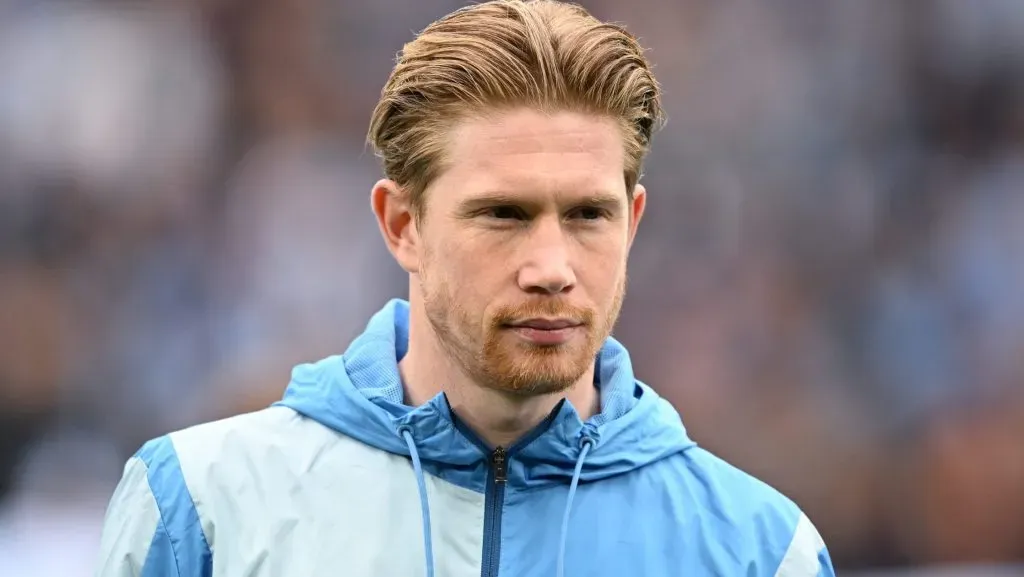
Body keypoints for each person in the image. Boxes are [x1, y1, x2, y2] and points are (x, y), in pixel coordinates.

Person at [95, 1, 836, 575]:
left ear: (633, 221)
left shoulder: (758, 550)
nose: (552, 265)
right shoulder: (201, 508)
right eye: (503, 214)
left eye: (588, 215)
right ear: (402, 223)